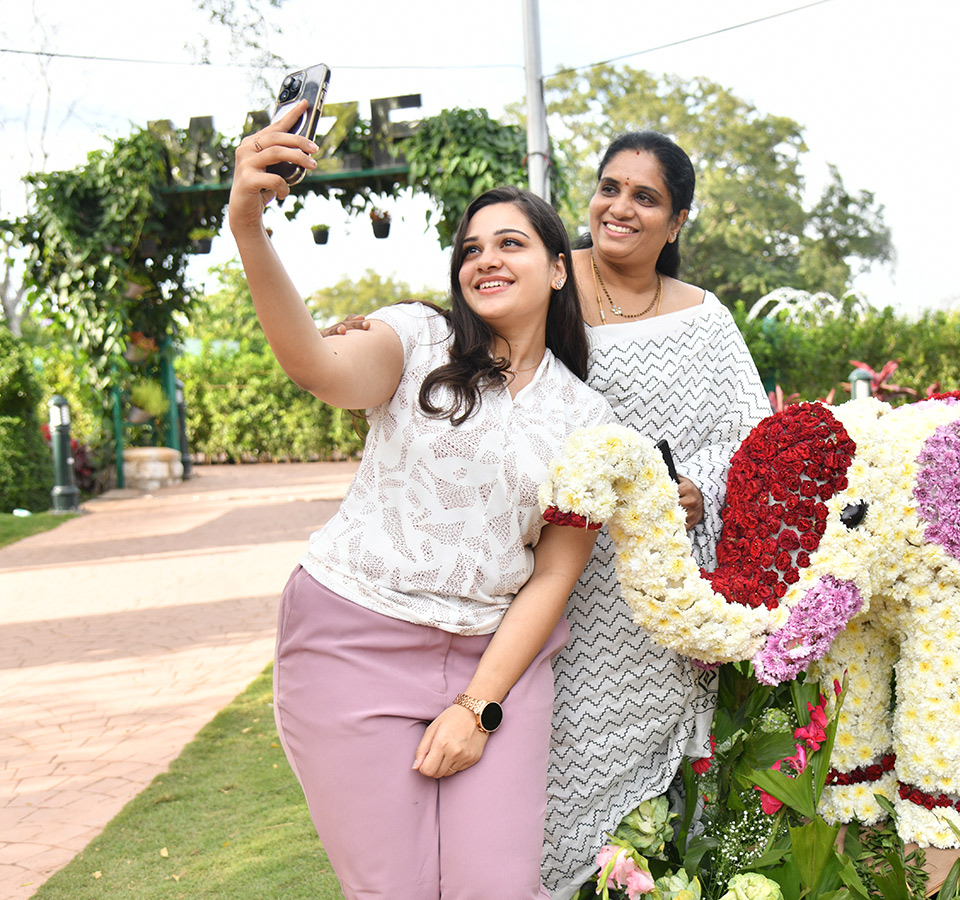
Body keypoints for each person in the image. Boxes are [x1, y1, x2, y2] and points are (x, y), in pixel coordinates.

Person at [325, 130, 772, 899]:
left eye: (645, 197)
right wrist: (376, 332)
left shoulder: (705, 318)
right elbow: (470, 329)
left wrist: (696, 490)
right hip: (530, 581)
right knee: (517, 787)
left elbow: (746, 437)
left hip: (640, 593)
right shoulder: (547, 281)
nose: (619, 207)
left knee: (641, 801)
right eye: (609, 187)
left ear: (678, 222)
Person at [229, 101, 615, 900]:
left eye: (512, 242)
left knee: (496, 890)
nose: (486, 259)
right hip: (352, 641)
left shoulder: (589, 421)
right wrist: (249, 229)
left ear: (556, 268)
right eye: (472, 248)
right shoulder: (414, 343)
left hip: (494, 661)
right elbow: (316, 365)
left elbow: (552, 576)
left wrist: (477, 708)